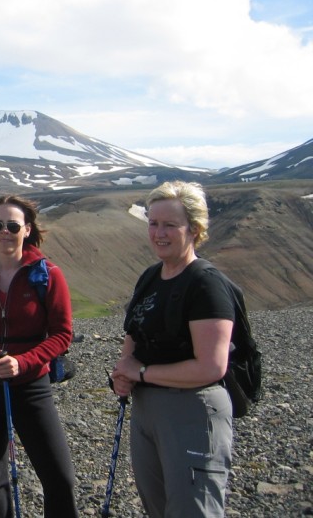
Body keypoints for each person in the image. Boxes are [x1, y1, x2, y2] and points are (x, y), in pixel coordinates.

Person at [0, 194, 79, 517]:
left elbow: (62, 334)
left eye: (12, 225)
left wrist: (24, 362)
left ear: (27, 229)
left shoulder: (48, 274)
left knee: (59, 477)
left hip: (31, 385)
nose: (4, 232)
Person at [111, 181, 235, 518]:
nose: (159, 233)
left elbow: (211, 367)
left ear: (194, 229)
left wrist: (141, 372)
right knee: (159, 507)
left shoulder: (206, 284)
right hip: (147, 408)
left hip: (193, 410)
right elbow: (134, 333)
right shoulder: (151, 276)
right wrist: (124, 372)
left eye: (170, 225)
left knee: (191, 510)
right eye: (153, 223)